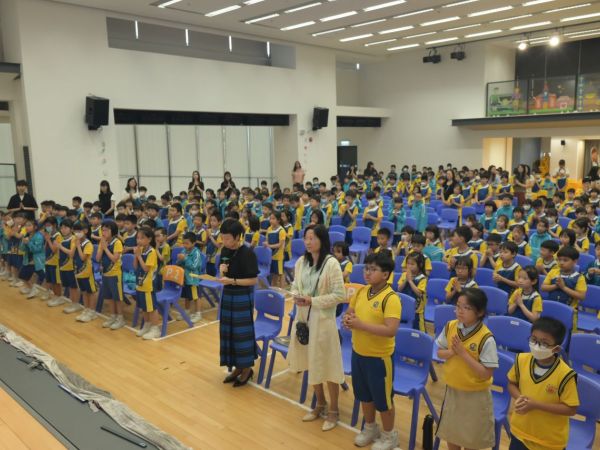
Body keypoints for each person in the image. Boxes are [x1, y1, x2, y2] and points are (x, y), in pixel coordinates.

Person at [288, 224, 345, 432]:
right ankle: (320, 404)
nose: (308, 242)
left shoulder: (331, 264)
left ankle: (334, 410)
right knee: (309, 362)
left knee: (328, 366)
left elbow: (339, 295)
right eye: (306, 238)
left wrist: (312, 300)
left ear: (322, 240)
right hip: (304, 319)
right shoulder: (301, 262)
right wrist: (296, 295)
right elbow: (295, 285)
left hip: (323, 321)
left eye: (312, 238)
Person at [344, 251, 401, 449]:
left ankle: (389, 436)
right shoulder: (361, 292)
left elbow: (391, 330)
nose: (367, 272)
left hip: (379, 358)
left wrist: (360, 325)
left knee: (383, 400)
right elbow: (350, 313)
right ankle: (370, 428)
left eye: (373, 269)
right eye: (366, 268)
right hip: (358, 353)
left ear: (385, 274)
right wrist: (347, 319)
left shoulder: (391, 298)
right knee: (364, 395)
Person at [436, 288, 498, 450]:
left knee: (472, 442)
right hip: (453, 390)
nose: (460, 311)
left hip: (475, 396)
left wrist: (463, 354)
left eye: (467, 308)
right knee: (452, 437)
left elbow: (486, 374)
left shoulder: (486, 338)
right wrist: (452, 352)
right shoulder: (450, 326)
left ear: (480, 312)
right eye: (458, 306)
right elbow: (439, 353)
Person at [507, 317, 579, 450]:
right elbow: (512, 384)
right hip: (520, 432)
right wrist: (519, 398)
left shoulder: (565, 374)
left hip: (549, 441)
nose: (537, 346)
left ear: (556, 349)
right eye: (533, 340)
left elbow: (571, 409)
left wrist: (536, 405)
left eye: (544, 343)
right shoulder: (521, 360)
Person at [219, 218, 259, 387]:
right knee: (229, 333)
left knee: (242, 334)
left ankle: (247, 369)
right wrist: (222, 271)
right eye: (222, 237)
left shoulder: (247, 253)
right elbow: (223, 275)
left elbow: (253, 280)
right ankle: (237, 367)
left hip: (242, 295)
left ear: (237, 237)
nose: (224, 241)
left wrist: (232, 281)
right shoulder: (224, 250)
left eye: (228, 238)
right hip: (228, 295)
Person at [133, 227, 161, 339]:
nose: (139, 240)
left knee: (151, 308)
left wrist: (139, 256)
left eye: (142, 238)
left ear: (149, 239)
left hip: (148, 285)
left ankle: (155, 329)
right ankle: (147, 325)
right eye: (138, 238)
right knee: (143, 307)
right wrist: (136, 255)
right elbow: (135, 267)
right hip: (140, 283)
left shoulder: (152, 252)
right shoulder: (140, 250)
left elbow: (146, 268)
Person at [96, 221, 125, 330]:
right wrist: (102, 246)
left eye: (106, 230)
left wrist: (105, 248)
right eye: (102, 230)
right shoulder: (103, 242)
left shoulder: (117, 242)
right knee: (109, 297)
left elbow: (114, 259)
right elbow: (97, 258)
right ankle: (113, 316)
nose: (104, 232)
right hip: (105, 274)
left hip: (115, 274)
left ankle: (120, 318)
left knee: (117, 297)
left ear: (113, 231)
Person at [72, 222, 97, 322]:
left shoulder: (88, 244)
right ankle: (86, 309)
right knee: (84, 291)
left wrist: (78, 246)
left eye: (79, 231)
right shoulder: (76, 242)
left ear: (85, 231)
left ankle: (92, 311)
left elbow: (83, 258)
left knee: (91, 291)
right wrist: (75, 245)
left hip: (87, 271)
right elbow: (72, 255)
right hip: (78, 271)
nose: (77, 233)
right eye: (75, 231)